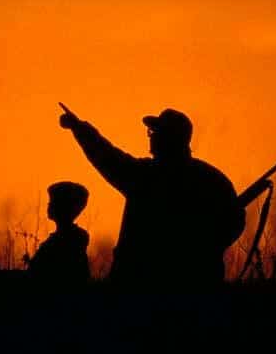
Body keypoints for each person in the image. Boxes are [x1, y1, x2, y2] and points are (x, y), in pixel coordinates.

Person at [59, 104, 245, 288]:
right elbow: (235, 221)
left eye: (155, 132)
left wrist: (79, 129)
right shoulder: (212, 179)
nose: (151, 137)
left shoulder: (146, 176)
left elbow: (107, 157)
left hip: (139, 285)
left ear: (168, 138)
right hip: (196, 285)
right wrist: (204, 251)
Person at [25, 181, 91, 286]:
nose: (49, 205)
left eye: (52, 201)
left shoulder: (67, 242)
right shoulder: (70, 239)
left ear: (64, 207)